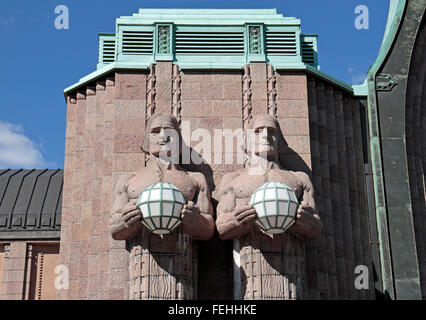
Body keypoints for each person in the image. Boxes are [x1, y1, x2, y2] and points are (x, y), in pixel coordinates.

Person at [215, 114, 322, 299]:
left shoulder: (299, 178)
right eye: (258, 132)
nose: (266, 136)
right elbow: (221, 227)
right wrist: (237, 221)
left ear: (280, 140)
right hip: (248, 269)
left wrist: (306, 221)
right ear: (247, 141)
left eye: (271, 131)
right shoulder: (232, 180)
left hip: (291, 269)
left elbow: (316, 227)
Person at [109, 113, 214, 241]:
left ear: (179, 139)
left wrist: (196, 221)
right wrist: (126, 222)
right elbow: (114, 228)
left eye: (169, 131)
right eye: (155, 132)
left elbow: (209, 229)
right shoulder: (128, 179)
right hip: (140, 255)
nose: (163, 136)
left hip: (183, 255)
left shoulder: (195, 179)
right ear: (147, 140)